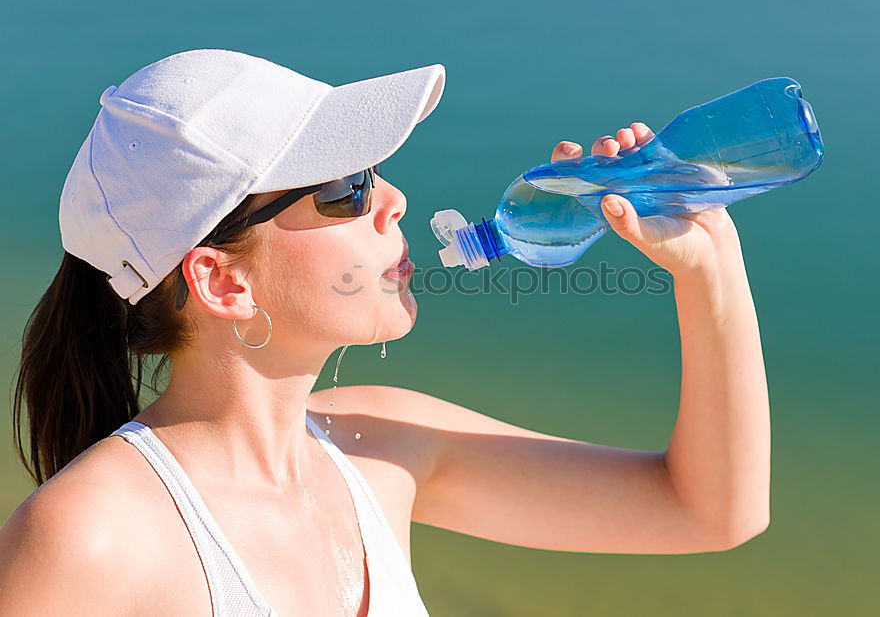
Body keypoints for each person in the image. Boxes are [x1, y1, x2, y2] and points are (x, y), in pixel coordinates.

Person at [0, 49, 770, 616]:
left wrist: (707, 266)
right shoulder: (88, 536)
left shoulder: (381, 443)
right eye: (344, 188)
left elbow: (710, 509)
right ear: (222, 281)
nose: (392, 198)